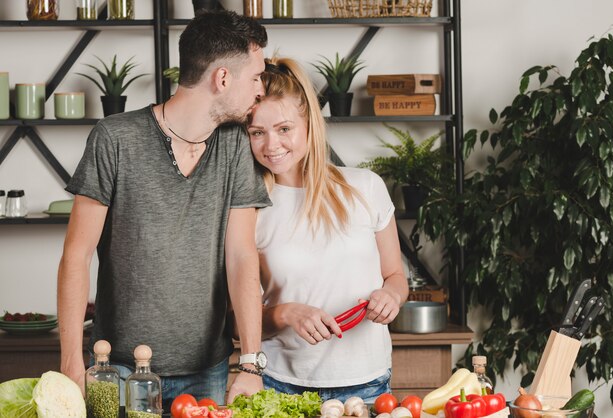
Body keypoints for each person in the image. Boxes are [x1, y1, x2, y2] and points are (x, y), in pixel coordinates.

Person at [57, 10, 271, 409]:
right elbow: (76, 254)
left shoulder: (234, 145)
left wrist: (251, 363)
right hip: (115, 369)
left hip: (209, 370)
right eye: (256, 76)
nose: (260, 89)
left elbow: (242, 256)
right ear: (223, 78)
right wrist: (72, 363)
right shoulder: (114, 138)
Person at [247, 57, 409, 402]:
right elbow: (235, 322)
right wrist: (286, 312)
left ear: (310, 124)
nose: (271, 145)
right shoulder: (250, 209)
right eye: (257, 133)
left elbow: (395, 275)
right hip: (281, 383)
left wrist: (391, 296)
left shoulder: (366, 187)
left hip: (367, 383)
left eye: (284, 129)